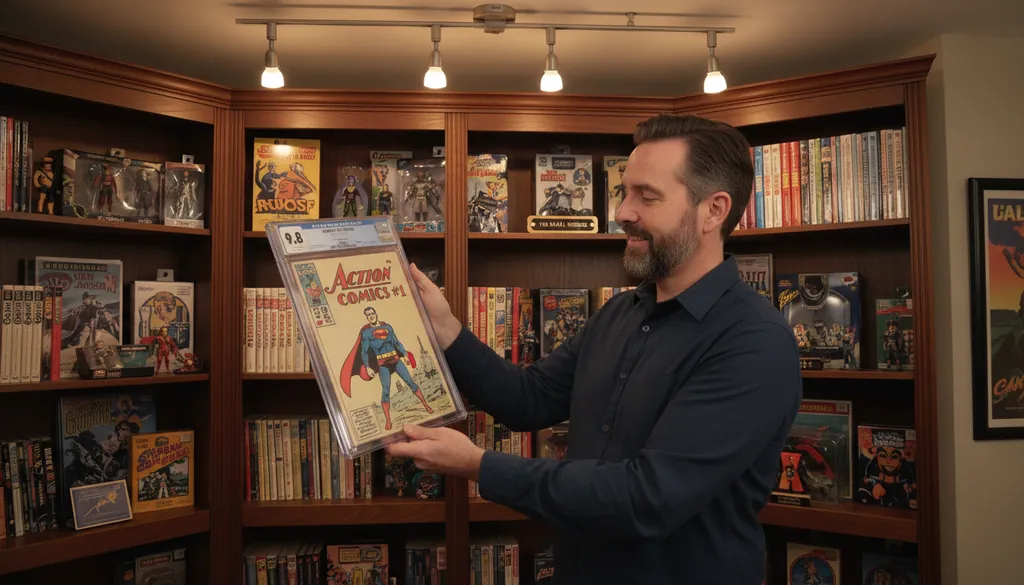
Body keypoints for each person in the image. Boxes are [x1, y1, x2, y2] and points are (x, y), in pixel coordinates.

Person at [386, 113, 803, 584]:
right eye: (625, 192)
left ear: (714, 210)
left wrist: (479, 465)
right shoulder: (621, 312)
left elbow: (646, 498)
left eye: (647, 196)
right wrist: (447, 330)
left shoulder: (754, 342)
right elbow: (529, 398)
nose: (623, 212)